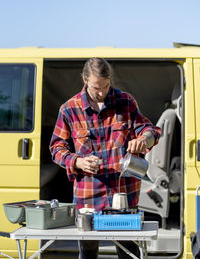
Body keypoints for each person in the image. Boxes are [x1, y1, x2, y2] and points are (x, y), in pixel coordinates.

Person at [50, 57, 161, 259]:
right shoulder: (69, 109)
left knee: (128, 250)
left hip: (124, 194)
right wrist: (77, 161)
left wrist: (144, 139)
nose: (102, 93)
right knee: (88, 251)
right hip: (88, 196)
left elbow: (149, 129)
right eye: (96, 88)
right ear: (85, 80)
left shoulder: (125, 101)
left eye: (106, 86)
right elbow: (56, 148)